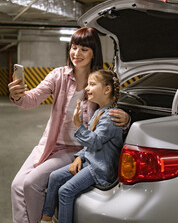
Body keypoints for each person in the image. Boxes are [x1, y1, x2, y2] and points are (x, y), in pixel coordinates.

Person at [8, 27, 130, 223]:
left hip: (77, 149)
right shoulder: (59, 75)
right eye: (73, 48)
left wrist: (125, 119)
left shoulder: (99, 80)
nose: (76, 54)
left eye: (84, 49)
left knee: (31, 183)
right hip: (50, 144)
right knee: (16, 185)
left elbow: (112, 110)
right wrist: (18, 96)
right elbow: (33, 98)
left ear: (93, 53)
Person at [40, 69, 123, 223]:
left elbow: (95, 141)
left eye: (92, 84)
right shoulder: (99, 112)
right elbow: (90, 145)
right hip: (89, 161)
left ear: (107, 90)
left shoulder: (111, 116)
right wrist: (79, 157)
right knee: (54, 177)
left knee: (65, 191)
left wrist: (78, 125)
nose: (86, 88)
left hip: (99, 168)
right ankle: (46, 218)